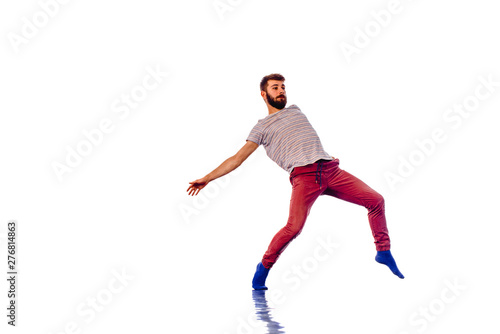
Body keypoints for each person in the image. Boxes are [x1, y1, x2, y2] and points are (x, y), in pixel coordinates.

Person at [187, 73, 404, 290]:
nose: (281, 91)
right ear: (264, 94)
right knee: (294, 228)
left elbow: (305, 139)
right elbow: (236, 159)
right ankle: (263, 268)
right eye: (275, 88)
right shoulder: (261, 128)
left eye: (283, 87)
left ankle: (383, 252)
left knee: (376, 200)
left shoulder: (296, 110)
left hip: (331, 170)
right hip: (305, 178)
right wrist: (207, 178)